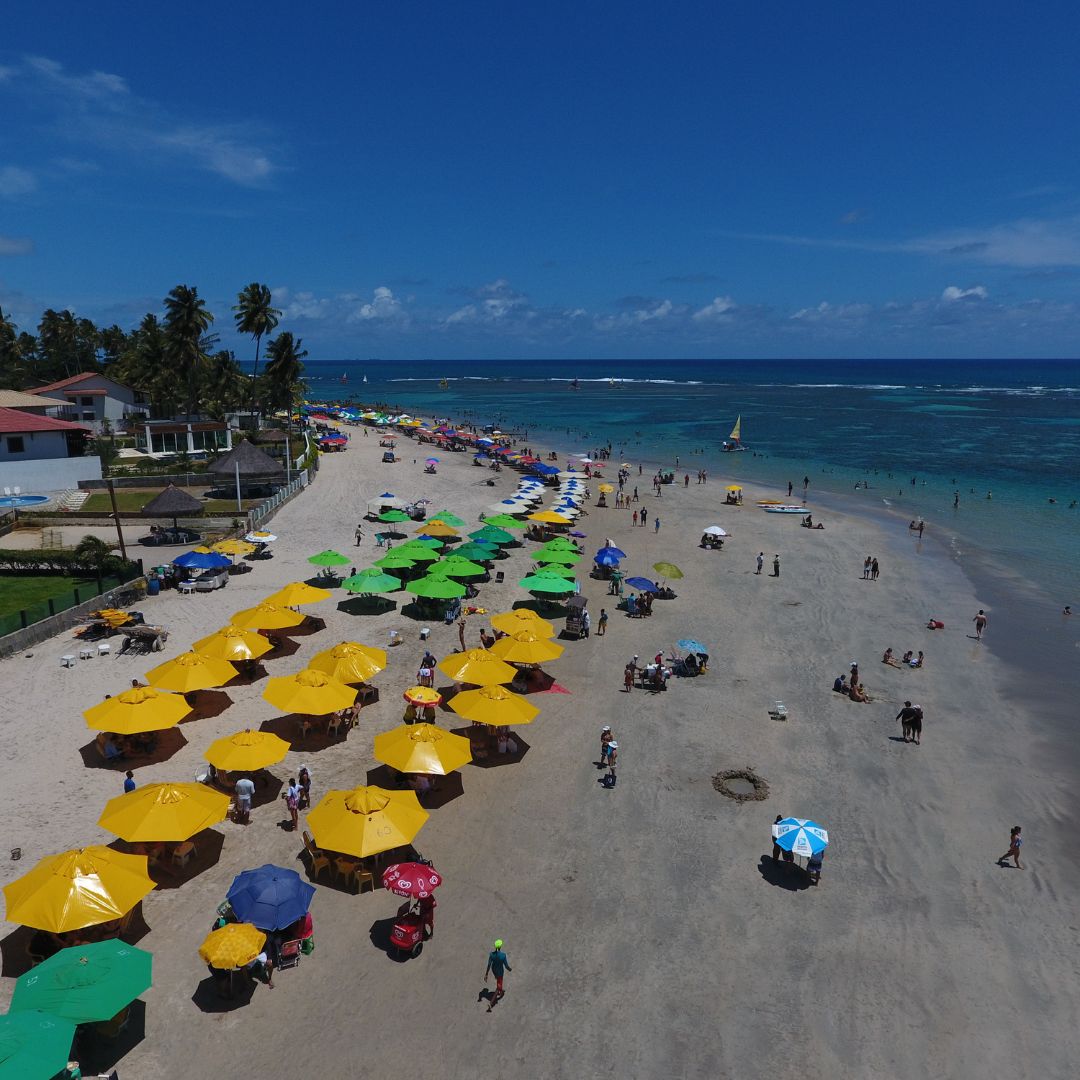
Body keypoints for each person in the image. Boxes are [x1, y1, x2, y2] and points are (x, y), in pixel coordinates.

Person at [484, 939, 513, 1010]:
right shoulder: (503, 955)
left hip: (494, 971)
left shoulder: (491, 954)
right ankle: (491, 1004)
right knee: (498, 988)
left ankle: (501, 990)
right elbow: (506, 966)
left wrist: (486, 974)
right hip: (500, 973)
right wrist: (510, 969)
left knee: (499, 983)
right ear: (500, 947)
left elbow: (489, 965)